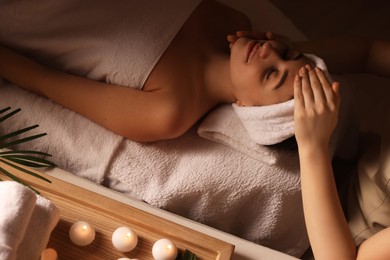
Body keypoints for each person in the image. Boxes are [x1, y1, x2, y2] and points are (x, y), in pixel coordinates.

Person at [1, 0, 388, 144]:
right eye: (286, 51)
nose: (270, 51)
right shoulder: (234, 20)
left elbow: (42, 81)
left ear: (248, 107)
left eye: (272, 74)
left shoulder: (166, 112)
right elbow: (365, 51)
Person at [294, 64, 390, 259]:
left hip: (340, 240)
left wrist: (312, 145)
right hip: (357, 171)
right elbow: (368, 53)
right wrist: (293, 51)